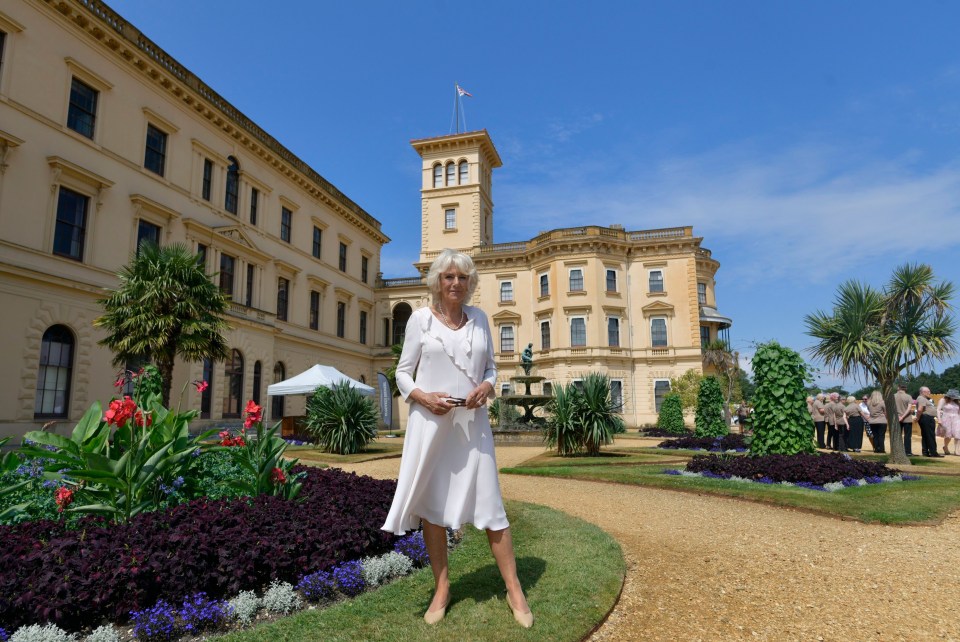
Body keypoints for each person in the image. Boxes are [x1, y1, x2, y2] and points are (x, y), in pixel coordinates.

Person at [381, 249, 533, 628]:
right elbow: (403, 373)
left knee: (492, 506)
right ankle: (442, 588)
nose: (455, 283)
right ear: (436, 281)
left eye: (462, 277)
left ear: (470, 283)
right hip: (431, 425)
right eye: (448, 277)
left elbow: (493, 368)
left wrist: (486, 384)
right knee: (433, 508)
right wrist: (422, 396)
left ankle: (514, 589)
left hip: (472, 425)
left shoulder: (481, 319)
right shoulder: (419, 321)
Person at [916, 386, 943, 458]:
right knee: (930, 435)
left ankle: (925, 452)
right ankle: (933, 452)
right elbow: (920, 409)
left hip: (926, 418)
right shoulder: (921, 398)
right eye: (928, 392)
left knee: (925, 436)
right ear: (923, 392)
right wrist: (917, 418)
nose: (930, 393)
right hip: (926, 418)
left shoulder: (924, 399)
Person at [937, 389, 960, 455]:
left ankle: (957, 450)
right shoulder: (943, 400)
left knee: (958, 434)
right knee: (948, 435)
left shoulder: (957, 402)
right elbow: (938, 410)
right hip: (946, 418)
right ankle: (945, 446)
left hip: (957, 419)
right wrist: (939, 419)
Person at [894, 384, 914, 456]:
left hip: (896, 418)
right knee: (907, 436)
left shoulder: (893, 396)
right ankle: (907, 451)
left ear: (898, 388)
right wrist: (903, 417)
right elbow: (909, 408)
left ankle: (897, 451)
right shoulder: (908, 396)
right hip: (907, 419)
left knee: (897, 436)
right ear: (905, 388)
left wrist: (899, 416)